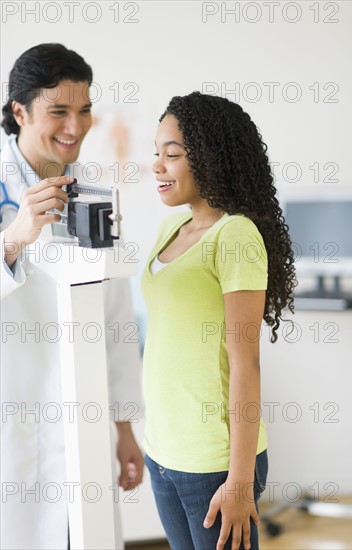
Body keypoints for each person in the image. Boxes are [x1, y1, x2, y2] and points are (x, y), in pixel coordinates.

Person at [0, 43, 144, 550]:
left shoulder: (93, 193)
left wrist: (125, 427)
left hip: (82, 422)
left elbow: (116, 319)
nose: (75, 126)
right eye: (58, 111)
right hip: (12, 416)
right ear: (19, 111)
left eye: (83, 111)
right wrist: (14, 237)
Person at [142, 92, 297, 550]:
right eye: (156, 153)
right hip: (163, 451)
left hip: (214, 463)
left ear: (210, 157)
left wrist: (240, 481)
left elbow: (246, 364)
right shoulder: (170, 229)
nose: (157, 165)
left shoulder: (235, 234)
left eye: (172, 154)